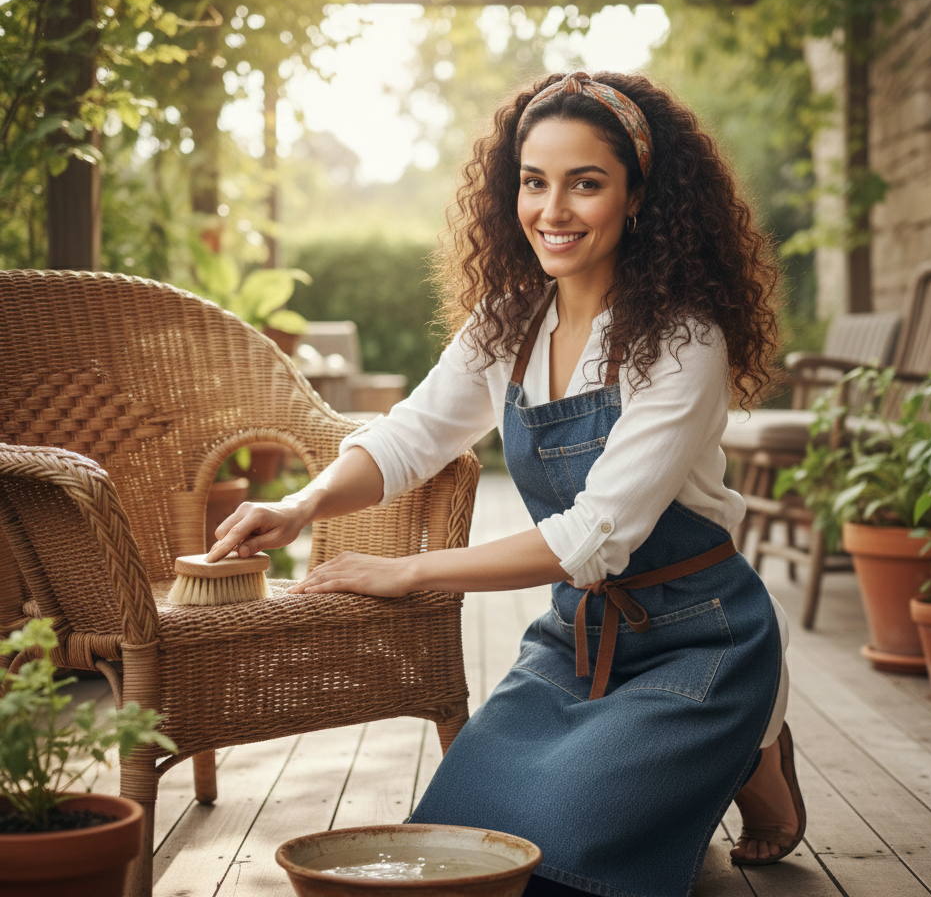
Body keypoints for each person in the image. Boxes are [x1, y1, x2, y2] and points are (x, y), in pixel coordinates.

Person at [206, 71, 805, 897]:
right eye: (534, 182)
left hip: (703, 639)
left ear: (638, 196)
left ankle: (753, 743)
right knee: (458, 847)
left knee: (563, 862)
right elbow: (409, 438)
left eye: (585, 183)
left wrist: (408, 571)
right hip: (579, 638)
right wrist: (301, 503)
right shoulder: (506, 323)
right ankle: (729, 757)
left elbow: (592, 538)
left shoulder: (682, 343)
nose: (552, 210)